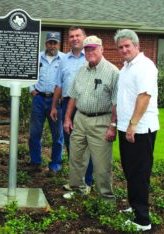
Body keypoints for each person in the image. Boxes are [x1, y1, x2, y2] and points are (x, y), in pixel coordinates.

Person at [63, 35, 118, 201]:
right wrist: (67, 118)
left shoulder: (113, 72)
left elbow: (117, 103)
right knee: (76, 157)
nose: (90, 52)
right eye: (87, 49)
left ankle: (106, 197)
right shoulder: (82, 70)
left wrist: (113, 125)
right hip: (80, 118)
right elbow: (73, 96)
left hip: (101, 120)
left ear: (102, 49)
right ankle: (77, 188)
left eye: (93, 48)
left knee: (101, 164)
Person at [114, 29, 159, 231]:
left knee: (140, 174)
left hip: (140, 129)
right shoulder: (126, 67)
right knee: (130, 171)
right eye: (121, 47)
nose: (124, 50)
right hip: (126, 127)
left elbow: (144, 96)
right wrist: (120, 124)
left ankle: (143, 221)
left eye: (127, 46)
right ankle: (134, 206)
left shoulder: (145, 66)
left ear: (137, 45)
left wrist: (133, 124)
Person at [50, 26, 93, 188]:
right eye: (71, 36)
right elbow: (59, 85)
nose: (74, 38)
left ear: (84, 37)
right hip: (67, 104)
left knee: (86, 143)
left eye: (78, 35)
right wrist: (54, 106)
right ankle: (75, 180)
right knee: (70, 143)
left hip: (86, 105)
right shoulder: (63, 60)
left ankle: (87, 181)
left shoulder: (90, 57)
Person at [28, 32, 64, 175]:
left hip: (56, 101)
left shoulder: (64, 59)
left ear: (58, 44)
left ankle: (55, 164)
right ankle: (36, 162)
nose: (52, 45)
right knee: (35, 133)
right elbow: (30, 74)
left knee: (57, 135)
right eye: (50, 42)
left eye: (55, 43)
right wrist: (31, 89)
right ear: (46, 43)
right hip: (39, 99)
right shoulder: (37, 58)